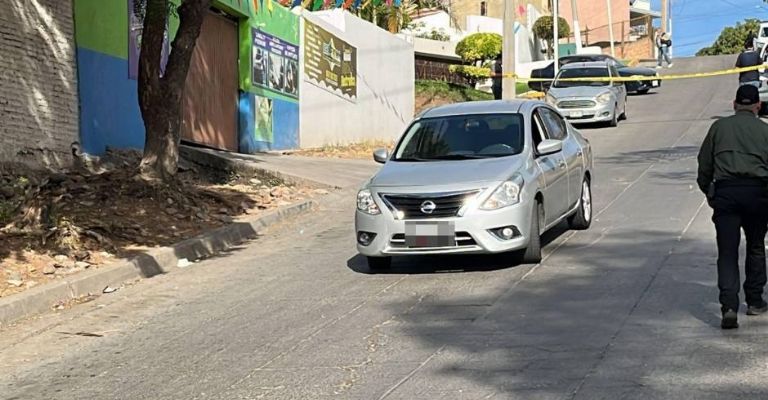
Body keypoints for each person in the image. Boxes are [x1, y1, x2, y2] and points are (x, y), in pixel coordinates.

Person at [697, 85, 768, 329]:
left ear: (734, 104)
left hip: (726, 194)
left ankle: (729, 306)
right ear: (758, 106)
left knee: (727, 252)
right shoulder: (764, 130)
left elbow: (704, 163)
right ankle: (756, 301)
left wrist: (708, 190)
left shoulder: (718, 127)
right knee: (756, 246)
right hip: (758, 194)